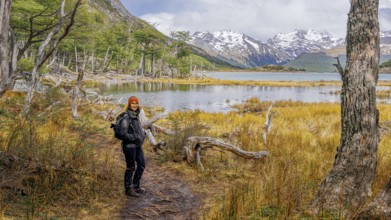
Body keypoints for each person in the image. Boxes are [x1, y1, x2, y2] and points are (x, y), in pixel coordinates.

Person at [120, 96, 146, 197]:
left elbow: (137, 128)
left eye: (136, 103)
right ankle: (128, 188)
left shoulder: (136, 114)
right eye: (133, 103)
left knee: (142, 164)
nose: (135, 105)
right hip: (129, 146)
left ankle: (135, 186)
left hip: (137, 145)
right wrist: (135, 136)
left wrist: (143, 134)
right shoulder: (127, 116)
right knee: (131, 167)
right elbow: (123, 133)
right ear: (129, 104)